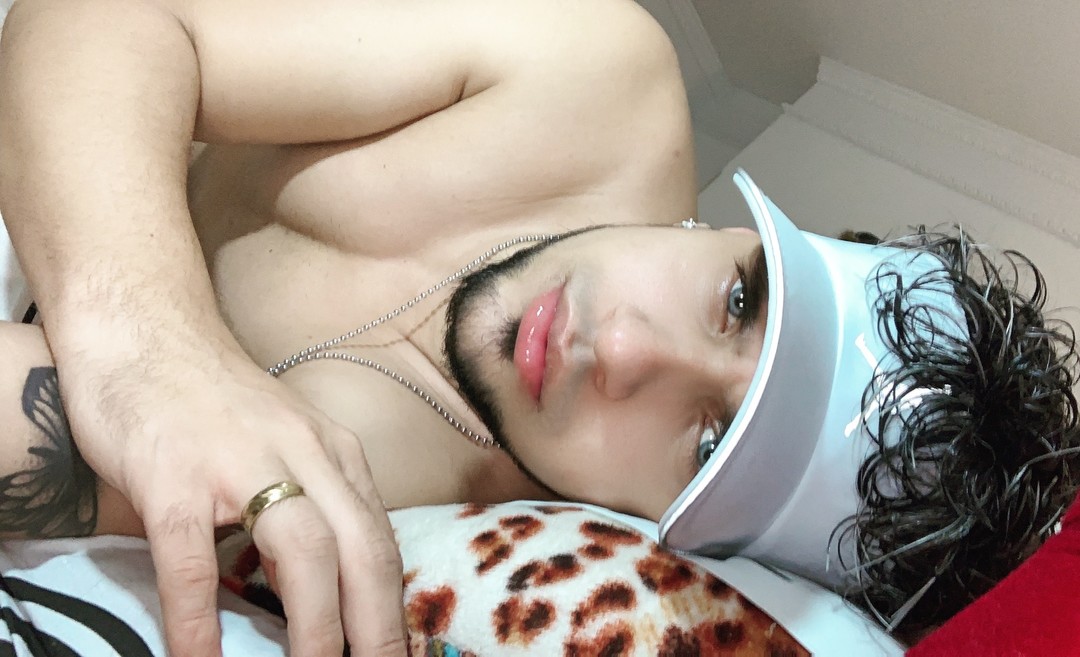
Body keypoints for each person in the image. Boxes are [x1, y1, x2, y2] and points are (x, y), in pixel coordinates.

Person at [0, 0, 1075, 655]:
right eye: (741, 299)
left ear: (673, 533)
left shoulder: (402, 511)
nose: (622, 349)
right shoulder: (596, 79)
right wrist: (152, 349)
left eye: (709, 444)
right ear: (732, 232)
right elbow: (108, 18)